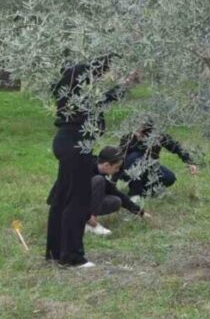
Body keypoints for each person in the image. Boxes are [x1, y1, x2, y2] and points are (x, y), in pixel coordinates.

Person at [44, 56, 131, 269]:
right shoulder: (75, 87)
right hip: (76, 146)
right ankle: (72, 258)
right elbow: (94, 87)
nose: (99, 75)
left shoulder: (71, 93)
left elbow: (100, 102)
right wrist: (117, 66)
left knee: (62, 199)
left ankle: (55, 253)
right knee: (77, 201)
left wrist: (124, 85)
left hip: (67, 142)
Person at [116, 117, 199, 202]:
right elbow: (121, 156)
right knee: (136, 158)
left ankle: (146, 191)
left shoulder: (158, 136)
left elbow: (176, 147)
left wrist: (189, 162)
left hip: (150, 167)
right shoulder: (129, 137)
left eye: (142, 130)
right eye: (137, 129)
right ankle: (135, 193)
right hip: (129, 170)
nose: (138, 132)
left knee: (169, 177)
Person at [87, 147, 150, 236]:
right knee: (98, 180)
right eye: (116, 167)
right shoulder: (85, 168)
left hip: (86, 203)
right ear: (106, 165)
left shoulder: (102, 173)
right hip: (73, 203)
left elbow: (116, 193)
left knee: (116, 201)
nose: (117, 170)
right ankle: (92, 223)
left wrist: (140, 212)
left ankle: (86, 222)